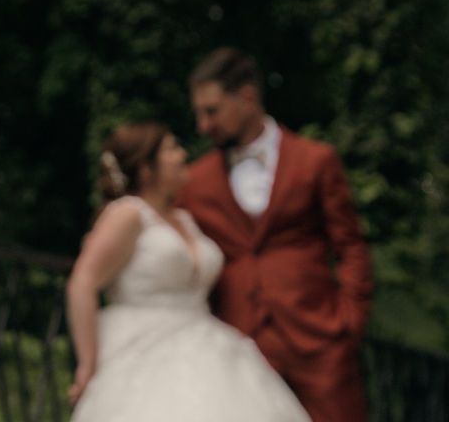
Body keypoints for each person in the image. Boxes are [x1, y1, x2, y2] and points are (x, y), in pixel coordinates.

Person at [177, 47, 373, 422]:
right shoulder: (195, 181)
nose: (203, 125)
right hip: (241, 346)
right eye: (199, 113)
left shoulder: (315, 161)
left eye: (212, 111)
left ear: (247, 97)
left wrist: (350, 321)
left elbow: (351, 247)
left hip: (319, 339)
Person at [66, 122, 310, 422]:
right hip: (144, 347)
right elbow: (83, 281)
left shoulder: (184, 218)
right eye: (171, 148)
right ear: (145, 168)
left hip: (208, 341)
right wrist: (87, 363)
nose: (182, 155)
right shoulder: (127, 214)